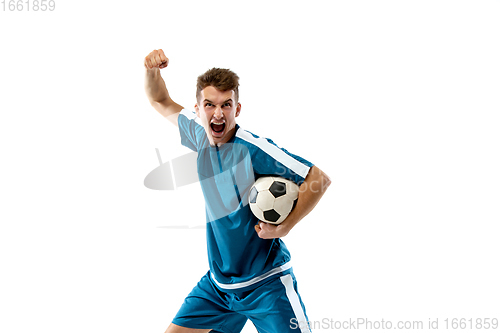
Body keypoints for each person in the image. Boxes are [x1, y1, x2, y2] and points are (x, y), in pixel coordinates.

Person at [144, 49, 331, 333]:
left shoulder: (253, 149)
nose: (218, 113)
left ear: (237, 109)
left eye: (226, 105)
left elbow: (318, 178)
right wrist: (151, 70)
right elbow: (159, 100)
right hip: (219, 287)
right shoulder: (198, 133)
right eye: (209, 105)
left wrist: (285, 227)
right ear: (198, 108)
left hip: (266, 285)